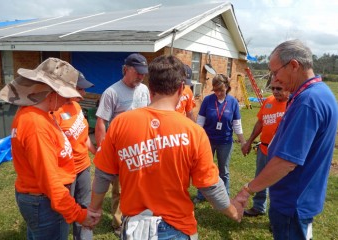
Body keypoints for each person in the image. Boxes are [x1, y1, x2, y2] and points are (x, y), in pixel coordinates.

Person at [88, 55, 243, 239]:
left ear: (150, 88)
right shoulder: (194, 132)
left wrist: (94, 209)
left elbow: (103, 174)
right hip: (177, 228)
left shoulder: (119, 124)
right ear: (180, 89)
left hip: (134, 228)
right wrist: (233, 211)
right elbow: (210, 185)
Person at [234, 39, 338, 240]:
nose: (274, 80)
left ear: (293, 65)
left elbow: (286, 162)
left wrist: (248, 190)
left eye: (275, 72)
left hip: (293, 203)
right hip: (301, 198)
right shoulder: (319, 93)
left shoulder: (308, 101)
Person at [0, 58, 100, 239]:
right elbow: (50, 181)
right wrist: (79, 214)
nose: (68, 100)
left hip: (42, 199)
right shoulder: (36, 124)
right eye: (65, 94)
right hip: (44, 202)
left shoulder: (41, 115)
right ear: (51, 92)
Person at [94, 53, 151, 235]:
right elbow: (101, 122)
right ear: (126, 69)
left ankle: (136, 215)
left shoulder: (144, 90)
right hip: (120, 151)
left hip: (142, 148)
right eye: (138, 72)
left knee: (139, 185)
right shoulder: (112, 92)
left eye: (143, 73)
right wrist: (103, 151)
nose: (141, 77)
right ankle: (118, 223)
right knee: (118, 188)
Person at [54, 71, 96, 240]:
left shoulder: (77, 107)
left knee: (85, 205)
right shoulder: (55, 112)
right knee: (65, 211)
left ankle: (84, 237)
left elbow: (83, 137)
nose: (84, 93)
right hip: (66, 172)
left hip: (84, 166)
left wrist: (95, 152)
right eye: (80, 89)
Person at [193, 74, 246, 204]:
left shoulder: (233, 102)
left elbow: (236, 123)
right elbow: (200, 122)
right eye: (216, 90)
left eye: (221, 90)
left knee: (224, 170)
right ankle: (202, 194)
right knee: (204, 168)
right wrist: (198, 140)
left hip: (225, 142)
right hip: (208, 141)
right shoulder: (207, 100)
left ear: (227, 88)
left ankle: (225, 196)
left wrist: (243, 141)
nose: (218, 93)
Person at [241, 78, 289, 217]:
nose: (275, 91)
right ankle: (258, 207)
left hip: (280, 152)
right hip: (264, 149)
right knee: (260, 178)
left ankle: (277, 216)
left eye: (278, 89)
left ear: (287, 87)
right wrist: (249, 142)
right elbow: (260, 123)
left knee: (278, 183)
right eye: (273, 88)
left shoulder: (292, 105)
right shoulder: (268, 101)